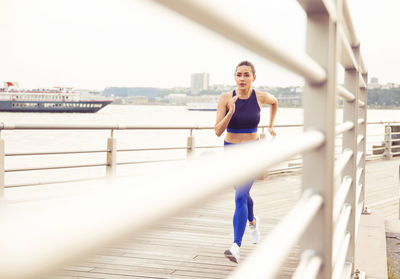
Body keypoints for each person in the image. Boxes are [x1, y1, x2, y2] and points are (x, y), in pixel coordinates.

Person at [214, 60, 278, 263]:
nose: (242, 78)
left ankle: (236, 246)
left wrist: (270, 125)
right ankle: (252, 221)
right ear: (235, 77)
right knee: (242, 193)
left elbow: (275, 102)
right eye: (239, 75)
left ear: (253, 77)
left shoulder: (260, 97)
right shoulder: (225, 98)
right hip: (230, 152)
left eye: (246, 75)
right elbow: (217, 131)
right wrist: (230, 112)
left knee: (240, 197)